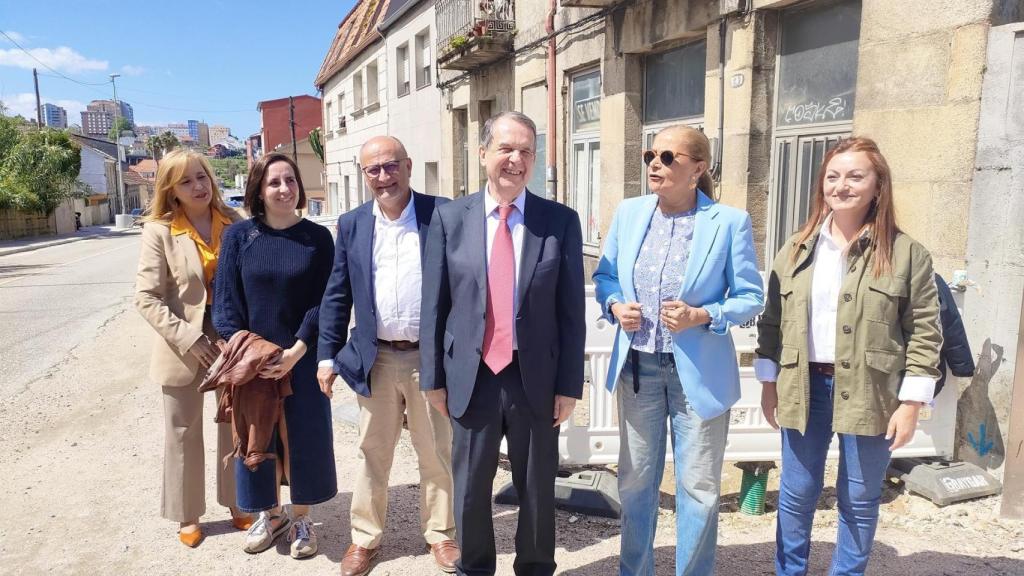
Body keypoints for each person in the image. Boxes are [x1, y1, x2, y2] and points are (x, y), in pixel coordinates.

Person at [755, 137, 942, 576]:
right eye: (833, 177)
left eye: (856, 176)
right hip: (804, 387)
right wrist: (768, 384)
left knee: (859, 498)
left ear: (878, 186)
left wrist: (912, 403)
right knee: (796, 494)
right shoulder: (797, 248)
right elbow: (772, 323)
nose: (842, 185)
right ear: (822, 186)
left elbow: (924, 331)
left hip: (872, 391)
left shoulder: (906, 253)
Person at [420, 111, 586, 576]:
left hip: (535, 375)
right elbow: (433, 304)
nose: (516, 160)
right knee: (471, 488)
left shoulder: (560, 222)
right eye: (506, 149)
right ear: (483, 154)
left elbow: (571, 313)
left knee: (536, 488)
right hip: (470, 377)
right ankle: (475, 568)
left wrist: (569, 385)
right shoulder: (450, 218)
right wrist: (433, 378)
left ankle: (535, 568)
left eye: (526, 151)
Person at [592, 125, 764, 575]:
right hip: (639, 369)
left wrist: (702, 314)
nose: (655, 163)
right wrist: (614, 304)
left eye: (670, 157)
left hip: (699, 373)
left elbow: (751, 296)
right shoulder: (629, 213)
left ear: (698, 169)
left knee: (699, 488)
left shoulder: (728, 222)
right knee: (635, 485)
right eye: (652, 154)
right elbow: (606, 276)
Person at [317, 136, 459, 576]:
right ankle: (364, 539)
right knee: (372, 452)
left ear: (408, 165)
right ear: (364, 176)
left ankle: (441, 534)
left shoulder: (442, 214)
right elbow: (337, 294)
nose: (383, 176)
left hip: (428, 360)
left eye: (390, 165)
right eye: (373, 170)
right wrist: (326, 356)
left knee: (436, 450)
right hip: (374, 358)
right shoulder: (353, 224)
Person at [213, 152, 337, 559]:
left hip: (302, 355)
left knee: (305, 437)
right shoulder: (238, 237)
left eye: (290, 180)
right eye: (274, 183)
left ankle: (301, 516)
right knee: (256, 437)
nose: (284, 189)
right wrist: (251, 351)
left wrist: (297, 349)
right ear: (258, 192)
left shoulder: (317, 238)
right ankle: (271, 514)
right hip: (253, 361)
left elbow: (327, 301)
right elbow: (225, 304)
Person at [133, 149, 249, 547]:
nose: (198, 186)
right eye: (186, 181)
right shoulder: (159, 231)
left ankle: (239, 502)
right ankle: (187, 514)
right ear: (171, 189)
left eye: (201, 176)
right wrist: (189, 337)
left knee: (235, 423)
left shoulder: (234, 221)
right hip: (182, 343)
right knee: (182, 430)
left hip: (230, 338)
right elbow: (147, 298)